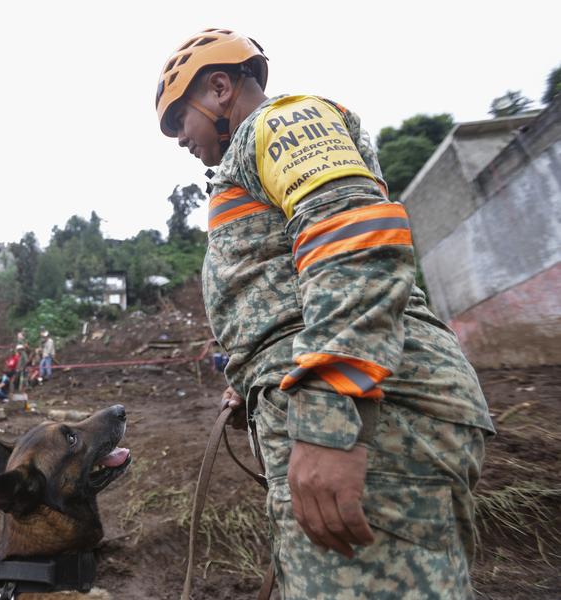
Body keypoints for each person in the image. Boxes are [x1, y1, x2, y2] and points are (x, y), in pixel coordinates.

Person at [155, 29, 494, 598]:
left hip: (374, 416)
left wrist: (328, 423)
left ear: (218, 88)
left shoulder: (282, 122)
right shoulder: (250, 159)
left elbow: (354, 245)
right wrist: (254, 383)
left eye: (176, 120)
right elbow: (285, 291)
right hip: (351, 406)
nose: (176, 138)